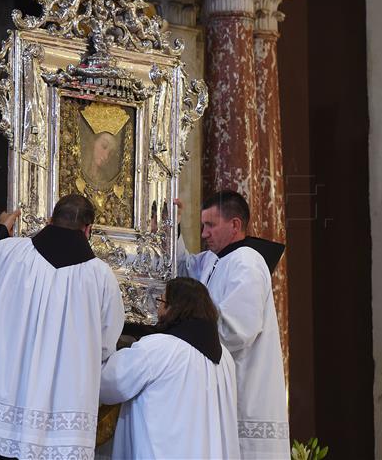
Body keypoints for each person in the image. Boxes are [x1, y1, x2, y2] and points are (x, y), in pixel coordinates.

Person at [0, 194, 125, 460]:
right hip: (60, 420)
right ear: (88, 230)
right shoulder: (101, 278)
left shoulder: (9, 253)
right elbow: (104, 346)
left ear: (50, 220)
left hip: (3, 406)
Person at [176, 190, 289, 459]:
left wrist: (180, 336)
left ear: (235, 225)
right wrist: (173, 226)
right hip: (222, 390)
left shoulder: (246, 262)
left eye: (210, 225)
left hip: (244, 391)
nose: (204, 233)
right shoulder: (215, 260)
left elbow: (238, 330)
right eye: (203, 225)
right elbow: (183, 268)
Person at [99, 277, 240, 459]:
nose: (157, 309)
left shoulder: (159, 348)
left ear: (174, 308)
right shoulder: (225, 357)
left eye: (161, 302)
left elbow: (109, 383)